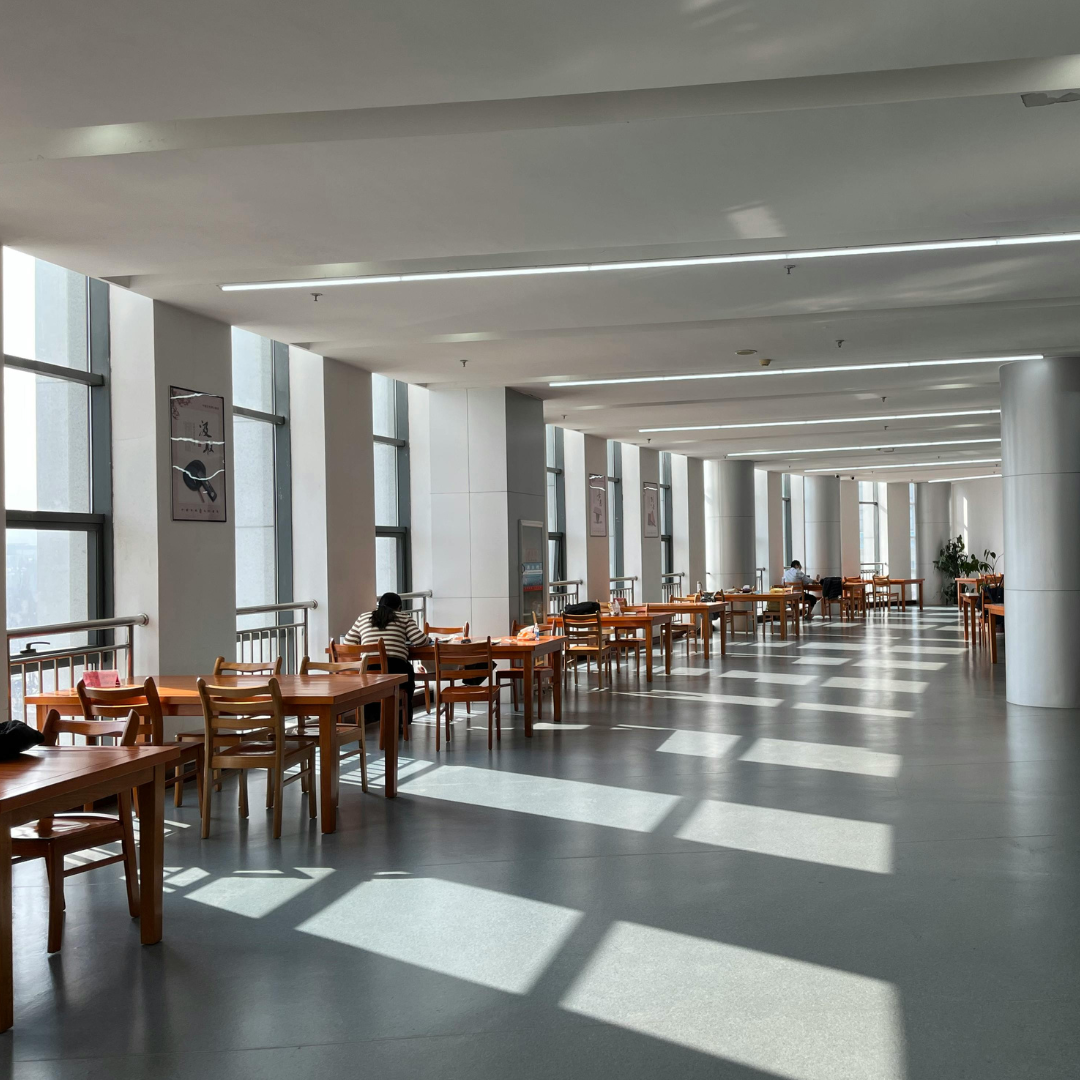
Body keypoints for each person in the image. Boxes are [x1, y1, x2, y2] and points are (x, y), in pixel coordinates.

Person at [344, 592, 431, 722]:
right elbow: (419, 640)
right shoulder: (403, 617)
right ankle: (402, 719)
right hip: (396, 667)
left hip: (368, 670)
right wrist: (428, 639)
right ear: (399, 608)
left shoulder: (363, 617)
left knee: (372, 686)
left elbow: (347, 643)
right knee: (408, 677)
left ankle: (371, 718)